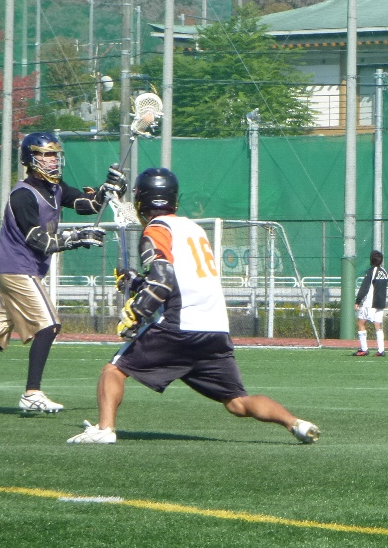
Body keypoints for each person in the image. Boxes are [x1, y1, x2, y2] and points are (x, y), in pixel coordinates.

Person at [66, 167, 320, 445]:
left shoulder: (156, 230)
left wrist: (136, 312)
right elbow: (182, 278)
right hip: (215, 330)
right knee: (237, 402)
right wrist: (137, 282)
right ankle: (296, 424)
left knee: (113, 370)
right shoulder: (194, 229)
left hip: (180, 326)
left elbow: (162, 281)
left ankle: (104, 430)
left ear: (140, 200)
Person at [0, 131, 121, 414]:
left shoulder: (55, 188)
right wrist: (77, 238)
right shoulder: (23, 194)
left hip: (22, 271)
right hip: (18, 270)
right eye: (45, 155)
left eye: (54, 155)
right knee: (49, 326)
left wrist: (107, 189)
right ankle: (32, 393)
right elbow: (39, 241)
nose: (52, 161)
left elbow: (88, 205)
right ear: (30, 158)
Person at [354, 249, 388, 357]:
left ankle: (364, 349)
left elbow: (365, 287)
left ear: (371, 260)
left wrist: (358, 300)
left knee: (361, 323)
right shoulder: (384, 272)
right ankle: (381, 350)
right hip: (381, 303)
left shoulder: (371, 271)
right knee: (378, 325)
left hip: (370, 303)